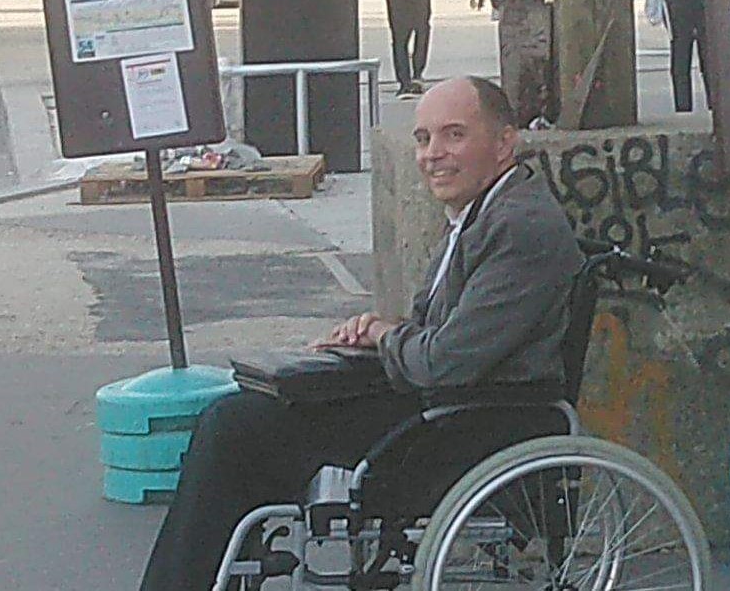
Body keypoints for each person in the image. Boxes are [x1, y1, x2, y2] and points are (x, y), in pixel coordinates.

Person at [138, 77, 585, 591]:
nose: (433, 154)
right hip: (445, 407)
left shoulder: (520, 228)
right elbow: (440, 338)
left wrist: (385, 338)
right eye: (423, 139)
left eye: (454, 135)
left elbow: (445, 362)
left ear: (504, 142)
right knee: (257, 405)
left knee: (236, 428)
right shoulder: (484, 212)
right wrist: (377, 335)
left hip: (471, 425)